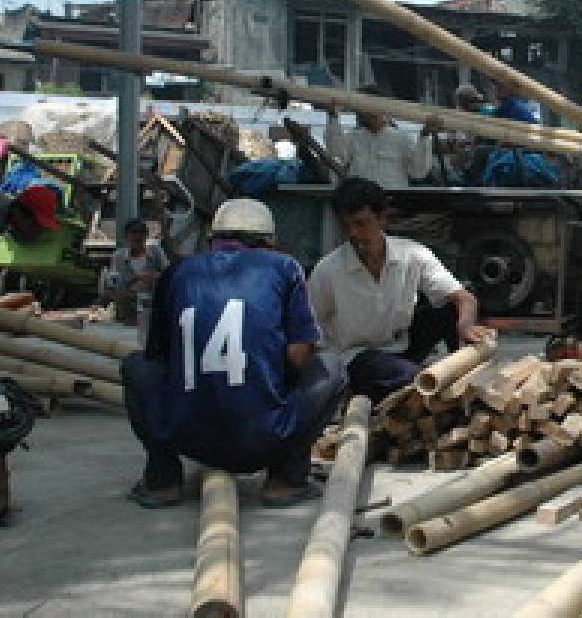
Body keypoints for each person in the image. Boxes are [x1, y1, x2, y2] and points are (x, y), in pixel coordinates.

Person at [120, 199, 346, 508]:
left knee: (135, 366)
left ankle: (162, 480)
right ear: (269, 243)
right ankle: (286, 478)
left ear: (213, 240)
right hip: (263, 439)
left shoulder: (178, 272)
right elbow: (298, 356)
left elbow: (158, 357)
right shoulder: (284, 268)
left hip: (186, 436)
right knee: (332, 368)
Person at [307, 177, 492, 403]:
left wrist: (466, 327)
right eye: (347, 226)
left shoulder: (411, 254)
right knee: (411, 377)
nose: (354, 233)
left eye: (361, 223)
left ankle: (467, 378)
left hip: (400, 345)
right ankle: (434, 387)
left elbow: (464, 298)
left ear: (381, 218)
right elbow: (307, 327)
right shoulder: (328, 270)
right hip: (358, 358)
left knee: (449, 309)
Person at [325, 86, 441, 189]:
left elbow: (418, 172)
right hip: (361, 204)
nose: (357, 112)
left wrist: (424, 135)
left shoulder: (401, 139)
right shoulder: (353, 138)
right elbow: (336, 153)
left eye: (359, 107)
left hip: (391, 204)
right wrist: (333, 117)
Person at [106, 218, 170, 324]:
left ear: (146, 235)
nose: (138, 236)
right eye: (134, 232)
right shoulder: (119, 256)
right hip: (129, 301)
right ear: (127, 236)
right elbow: (114, 283)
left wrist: (153, 277)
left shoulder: (156, 252)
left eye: (141, 232)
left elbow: (169, 274)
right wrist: (136, 278)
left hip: (152, 299)